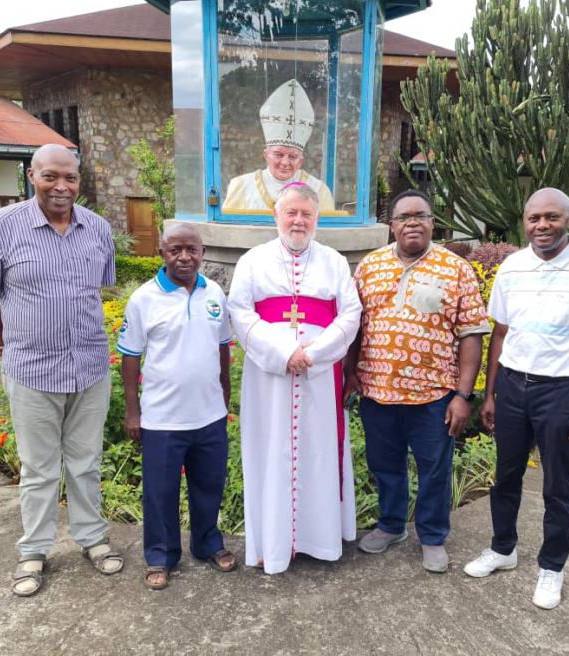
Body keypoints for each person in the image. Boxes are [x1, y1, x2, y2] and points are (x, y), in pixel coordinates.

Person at [462, 187, 569, 609]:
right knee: (505, 478)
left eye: (551, 217)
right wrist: (491, 392)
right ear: (525, 221)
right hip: (513, 388)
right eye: (534, 218)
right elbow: (500, 333)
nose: (541, 225)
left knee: (558, 487)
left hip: (562, 391)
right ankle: (503, 549)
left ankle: (552, 567)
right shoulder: (512, 267)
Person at [0, 143, 123, 597]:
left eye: (70, 178)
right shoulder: (3, 226)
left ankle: (92, 539)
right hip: (31, 371)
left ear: (80, 181)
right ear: (32, 177)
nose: (61, 186)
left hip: (90, 367)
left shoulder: (97, 228)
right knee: (38, 468)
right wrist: (3, 345)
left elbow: (99, 289)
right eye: (51, 177)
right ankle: (33, 551)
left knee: (85, 463)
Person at [345, 189, 491, 573]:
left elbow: (471, 335)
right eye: (403, 216)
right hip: (378, 392)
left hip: (434, 396)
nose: (412, 222)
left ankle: (431, 536)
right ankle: (392, 526)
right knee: (385, 465)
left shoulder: (455, 269)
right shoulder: (369, 267)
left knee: (434, 469)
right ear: (391, 225)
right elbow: (355, 326)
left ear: (432, 222)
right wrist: (350, 373)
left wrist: (463, 395)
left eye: (420, 215)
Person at [227, 182, 362, 574]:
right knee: (270, 453)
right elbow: (240, 311)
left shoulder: (335, 262)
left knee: (319, 453)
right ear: (277, 216)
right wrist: (285, 353)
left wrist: (313, 355)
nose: (298, 221)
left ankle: (318, 540)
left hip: (320, 377)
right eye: (291, 213)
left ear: (316, 219)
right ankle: (273, 542)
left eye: (306, 214)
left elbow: (350, 315)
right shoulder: (253, 261)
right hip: (270, 377)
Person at [117, 224, 238, 590]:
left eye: (192, 249)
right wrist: (133, 411)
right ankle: (160, 555)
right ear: (161, 252)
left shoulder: (214, 292)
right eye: (175, 250)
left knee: (209, 485)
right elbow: (130, 358)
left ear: (202, 252)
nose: (184, 257)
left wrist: (225, 393)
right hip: (162, 418)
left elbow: (222, 348)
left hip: (209, 415)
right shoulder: (143, 299)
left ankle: (207, 543)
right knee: (160, 491)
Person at [223, 79, 334, 213]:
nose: (285, 162)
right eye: (279, 154)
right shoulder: (242, 186)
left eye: (293, 156)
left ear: (300, 161)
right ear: (266, 155)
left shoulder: (319, 191)